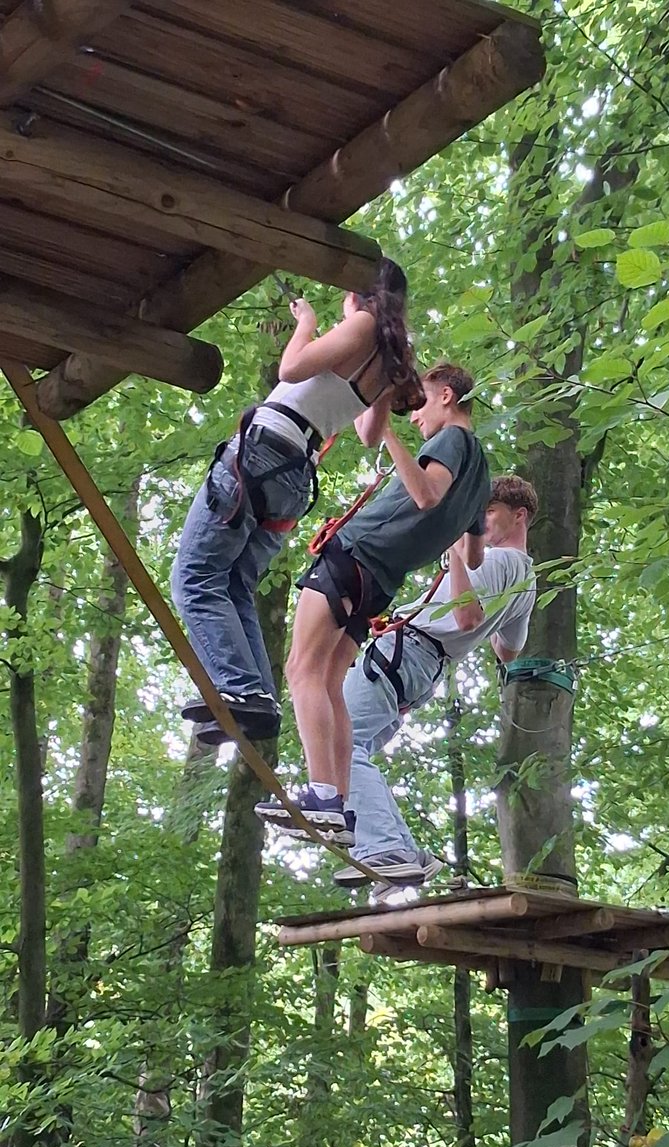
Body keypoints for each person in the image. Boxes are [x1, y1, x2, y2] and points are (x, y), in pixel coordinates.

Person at [172, 259, 421, 744]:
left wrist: (306, 324)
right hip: (292, 477)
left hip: (264, 454)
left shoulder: (363, 324)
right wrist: (385, 385)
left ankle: (241, 689)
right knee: (236, 583)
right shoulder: (388, 357)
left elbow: (290, 368)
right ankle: (255, 696)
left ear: (364, 295)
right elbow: (370, 434)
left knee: (195, 578)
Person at [254, 362, 491, 837]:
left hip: (356, 555)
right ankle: (336, 803)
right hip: (381, 580)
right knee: (330, 681)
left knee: (302, 670)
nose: (416, 416)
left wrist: (390, 440)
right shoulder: (482, 478)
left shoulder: (452, 441)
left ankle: (322, 794)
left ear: (445, 395)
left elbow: (426, 494)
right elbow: (475, 554)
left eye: (420, 402)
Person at [327, 475, 538, 887]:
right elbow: (507, 649)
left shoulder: (495, 562)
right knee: (352, 746)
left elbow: (465, 617)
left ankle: (385, 848)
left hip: (407, 651)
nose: (481, 522)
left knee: (341, 744)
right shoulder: (526, 583)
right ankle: (404, 853)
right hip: (423, 666)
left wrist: (456, 552)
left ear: (520, 516)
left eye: (489, 512)